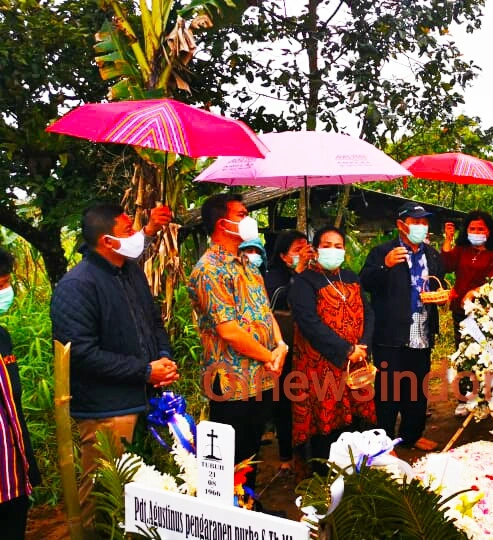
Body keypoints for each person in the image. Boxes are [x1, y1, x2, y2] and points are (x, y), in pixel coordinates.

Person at [50, 203, 177, 531]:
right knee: (105, 492)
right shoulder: (77, 286)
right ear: (106, 241)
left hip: (143, 398)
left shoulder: (130, 271)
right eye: (127, 231)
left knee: (140, 492)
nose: (135, 236)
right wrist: (145, 370)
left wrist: (162, 357)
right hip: (107, 411)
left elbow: (152, 321)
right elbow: (81, 354)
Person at [187, 194, 286, 496]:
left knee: (252, 451)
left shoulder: (248, 264)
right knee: (232, 458)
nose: (249, 220)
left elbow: (265, 312)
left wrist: (280, 345)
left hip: (261, 376)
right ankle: (232, 519)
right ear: (223, 223)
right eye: (242, 214)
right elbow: (228, 330)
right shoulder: (208, 270)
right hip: (231, 380)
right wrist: (269, 354)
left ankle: (250, 509)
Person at [289, 226, 376, 471]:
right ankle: (324, 475)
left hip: (356, 362)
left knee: (356, 421)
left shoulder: (350, 277)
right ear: (315, 250)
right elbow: (309, 323)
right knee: (326, 423)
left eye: (338, 246)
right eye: (327, 245)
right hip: (321, 365)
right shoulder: (304, 281)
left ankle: (355, 471)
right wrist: (346, 349)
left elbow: (368, 312)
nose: (333, 251)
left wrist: (363, 347)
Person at [360, 202, 445, 452]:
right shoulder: (382, 251)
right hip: (391, 333)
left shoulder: (431, 254)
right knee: (388, 390)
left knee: (417, 388)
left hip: (422, 329)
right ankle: (384, 443)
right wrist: (385, 265)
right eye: (415, 222)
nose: (420, 226)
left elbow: (437, 282)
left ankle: (411, 435)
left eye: (424, 222)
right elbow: (366, 282)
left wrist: (441, 296)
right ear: (401, 225)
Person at [441, 211, 493, 417]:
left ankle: (487, 398)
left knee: (485, 356)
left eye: (480, 229)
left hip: (484, 314)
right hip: (460, 311)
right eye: (472, 229)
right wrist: (448, 239)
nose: (476, 232)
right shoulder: (461, 250)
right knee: (462, 354)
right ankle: (464, 398)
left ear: (489, 231)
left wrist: (475, 292)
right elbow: (445, 264)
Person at [263, 230, 315, 473]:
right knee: (285, 402)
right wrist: (299, 272)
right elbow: (279, 300)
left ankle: (310, 451)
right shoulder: (273, 276)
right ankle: (286, 454)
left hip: (311, 347)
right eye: (297, 249)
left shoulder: (316, 272)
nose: (304, 253)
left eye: (307, 247)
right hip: (285, 348)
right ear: (284, 256)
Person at [0, 249, 40, 540]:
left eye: (6, 282)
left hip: (10, 474)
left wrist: (28, 468)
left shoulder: (2, 336)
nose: (6, 291)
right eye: (0, 283)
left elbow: (12, 410)